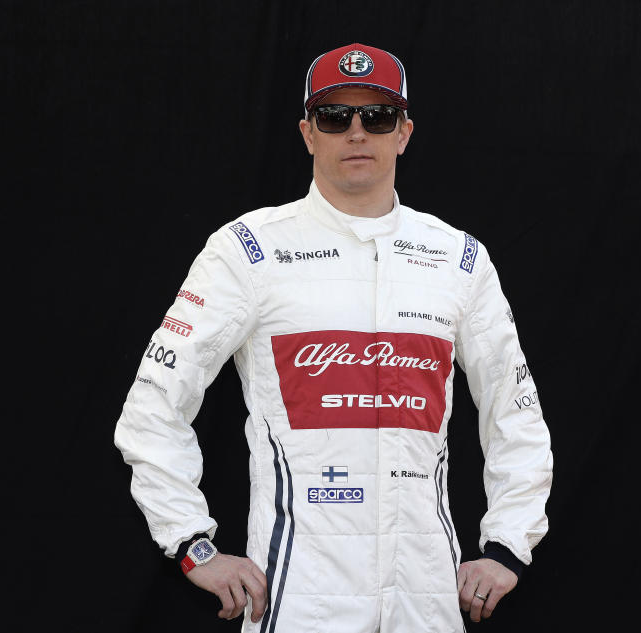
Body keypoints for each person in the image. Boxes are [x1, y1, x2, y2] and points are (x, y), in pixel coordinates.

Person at [114, 42, 553, 633]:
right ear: (307, 133)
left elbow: (516, 415)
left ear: (404, 133)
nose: (356, 132)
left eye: (377, 117)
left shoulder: (458, 259)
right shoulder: (248, 250)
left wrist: (507, 545)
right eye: (334, 116)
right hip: (299, 603)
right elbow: (151, 408)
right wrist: (193, 544)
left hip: (425, 605)